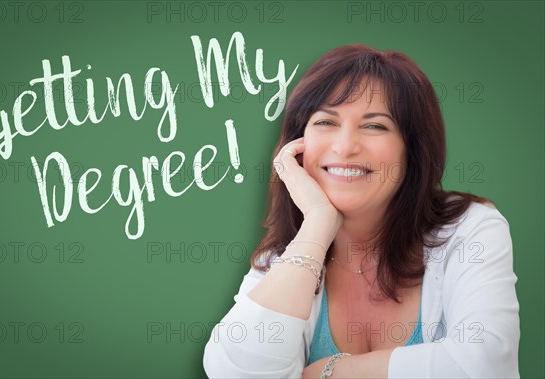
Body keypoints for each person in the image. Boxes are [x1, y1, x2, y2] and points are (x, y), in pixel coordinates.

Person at [202, 45, 520, 378]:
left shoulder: (469, 229)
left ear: (413, 151)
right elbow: (234, 371)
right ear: (297, 146)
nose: (344, 146)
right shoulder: (288, 258)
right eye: (326, 121)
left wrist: (331, 372)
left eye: (375, 126)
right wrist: (317, 225)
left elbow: (485, 364)